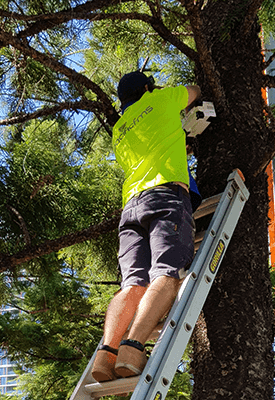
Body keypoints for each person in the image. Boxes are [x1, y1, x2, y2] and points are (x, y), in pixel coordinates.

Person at [92, 71, 201, 382]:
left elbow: (150, 146)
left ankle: (106, 353)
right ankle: (133, 347)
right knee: (167, 273)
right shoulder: (162, 99)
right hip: (165, 193)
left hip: (131, 207)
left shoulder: (119, 129)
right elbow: (195, 90)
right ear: (146, 88)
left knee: (132, 286)